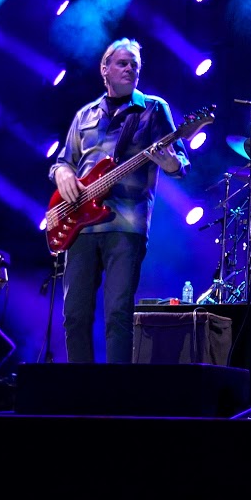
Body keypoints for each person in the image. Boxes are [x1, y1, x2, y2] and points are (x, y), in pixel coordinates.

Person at [49, 38, 190, 363]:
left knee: (117, 314)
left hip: (126, 225)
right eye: (123, 63)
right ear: (105, 69)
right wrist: (63, 175)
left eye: (134, 65)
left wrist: (170, 162)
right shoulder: (85, 114)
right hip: (79, 227)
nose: (130, 69)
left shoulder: (153, 109)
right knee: (75, 315)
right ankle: (81, 396)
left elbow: (180, 163)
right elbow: (63, 161)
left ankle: (116, 397)